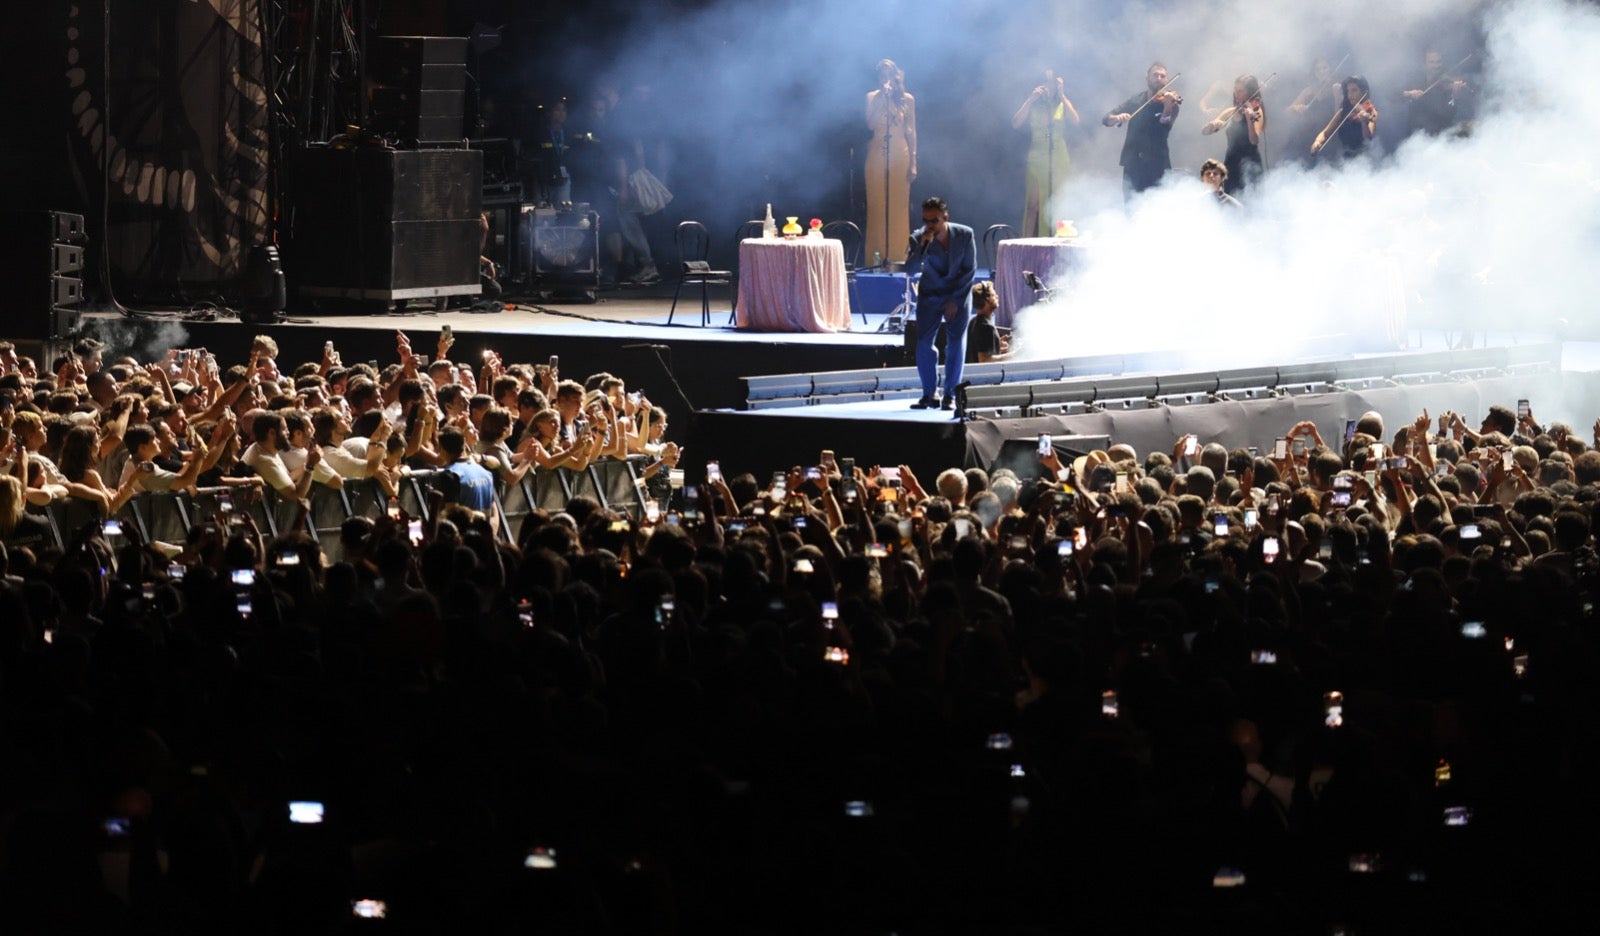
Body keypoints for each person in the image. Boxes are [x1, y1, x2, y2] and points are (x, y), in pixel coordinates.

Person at [905, 197, 976, 410]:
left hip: (958, 294)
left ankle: (951, 395)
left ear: (945, 217)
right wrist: (923, 245)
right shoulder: (918, 238)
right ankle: (929, 394)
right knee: (924, 343)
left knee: (955, 344)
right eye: (926, 220)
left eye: (934, 220)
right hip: (931, 295)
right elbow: (910, 270)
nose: (930, 225)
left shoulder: (965, 235)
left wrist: (955, 301)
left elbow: (969, 271)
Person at [1011, 69, 1080, 237]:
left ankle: (1056, 244)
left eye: (1053, 82)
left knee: (1058, 204)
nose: (1049, 86)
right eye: (1046, 82)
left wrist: (1063, 96)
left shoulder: (1061, 103)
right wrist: (1030, 99)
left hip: (1058, 155)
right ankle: (1026, 246)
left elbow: (1076, 120)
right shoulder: (1033, 104)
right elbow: (1015, 123)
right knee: (1033, 205)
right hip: (1037, 157)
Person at [1104, 62, 1183, 201]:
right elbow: (1106, 119)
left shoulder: (1171, 103)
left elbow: (1164, 128)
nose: (1158, 78)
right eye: (1155, 75)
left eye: (1162, 76)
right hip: (1133, 164)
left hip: (1158, 165)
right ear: (1147, 78)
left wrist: (1167, 107)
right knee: (1131, 207)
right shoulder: (1136, 100)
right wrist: (1117, 117)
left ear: (1166, 80)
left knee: (1158, 209)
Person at [865, 59, 917, 268]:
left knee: (899, 205)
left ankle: (899, 258)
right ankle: (876, 258)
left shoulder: (907, 99)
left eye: (889, 74)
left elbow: (912, 131)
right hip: (877, 152)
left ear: (897, 76)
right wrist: (881, 100)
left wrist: (914, 161)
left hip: (900, 152)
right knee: (877, 205)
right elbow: (869, 124)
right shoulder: (872, 97)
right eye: (882, 75)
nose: (886, 79)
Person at [1202, 75, 1266, 197]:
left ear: (1249, 92)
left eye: (1240, 91)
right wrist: (1211, 125)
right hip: (1231, 162)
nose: (1236, 94)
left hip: (1250, 163)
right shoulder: (1230, 111)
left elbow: (1254, 140)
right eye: (1235, 90)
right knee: (1231, 200)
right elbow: (1205, 132)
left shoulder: (1256, 111)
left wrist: (1249, 120)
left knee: (1251, 202)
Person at [1400, 47, 1473, 138]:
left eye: (1438, 62)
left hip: (1441, 133)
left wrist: (1454, 96)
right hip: (1418, 134)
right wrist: (1409, 93)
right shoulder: (1415, 79)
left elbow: (1447, 116)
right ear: (1424, 64)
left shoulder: (1446, 81)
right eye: (1432, 62)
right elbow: (1392, 95)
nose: (1436, 66)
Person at [1313, 76, 1378, 161]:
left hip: (1364, 160)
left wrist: (1364, 122)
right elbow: (1325, 133)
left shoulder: (1371, 111)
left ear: (1363, 92)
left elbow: (1367, 140)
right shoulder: (1343, 111)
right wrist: (1317, 142)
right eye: (1348, 91)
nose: (1350, 94)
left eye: (1354, 90)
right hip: (1345, 158)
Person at [966, 281, 1011, 363]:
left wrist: (996, 344)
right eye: (993, 295)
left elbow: (978, 350)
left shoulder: (973, 322)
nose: (997, 296)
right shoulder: (986, 327)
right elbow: (984, 360)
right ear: (986, 300)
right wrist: (1015, 355)